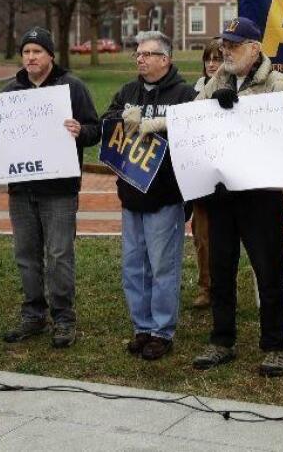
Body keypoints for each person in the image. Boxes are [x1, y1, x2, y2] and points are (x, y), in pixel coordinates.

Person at [0, 27, 101, 349]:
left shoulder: (72, 87)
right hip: (21, 189)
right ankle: (33, 314)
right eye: (26, 52)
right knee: (26, 255)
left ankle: (63, 317)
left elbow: (96, 130)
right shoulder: (11, 91)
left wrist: (80, 130)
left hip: (60, 188)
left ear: (51, 55)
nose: (31, 57)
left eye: (37, 51)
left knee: (59, 254)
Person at [192, 17, 283, 378]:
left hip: (260, 195)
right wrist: (211, 106)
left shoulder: (279, 86)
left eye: (235, 45)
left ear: (255, 49)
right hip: (222, 193)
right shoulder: (214, 81)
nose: (226, 51)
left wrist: (238, 113)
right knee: (221, 269)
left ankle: (275, 345)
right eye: (225, 44)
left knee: (269, 270)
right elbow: (194, 124)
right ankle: (221, 339)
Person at [101, 31, 197, 360]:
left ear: (165, 59)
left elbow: (196, 130)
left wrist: (158, 122)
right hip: (131, 195)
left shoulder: (185, 93)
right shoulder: (127, 92)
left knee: (163, 267)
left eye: (147, 54)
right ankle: (141, 327)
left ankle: (161, 331)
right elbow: (106, 124)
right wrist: (118, 118)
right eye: (137, 54)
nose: (140, 59)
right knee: (133, 266)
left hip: (165, 196)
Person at [189, 39, 223, 309]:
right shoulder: (193, 92)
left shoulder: (240, 90)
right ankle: (206, 286)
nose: (212, 64)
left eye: (218, 58)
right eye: (208, 59)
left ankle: (226, 286)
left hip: (233, 176)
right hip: (201, 176)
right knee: (202, 237)